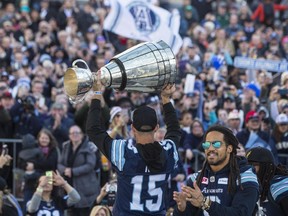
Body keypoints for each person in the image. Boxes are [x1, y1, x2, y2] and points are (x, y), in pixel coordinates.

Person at [86, 73, 181, 215]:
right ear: (156, 127)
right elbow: (174, 130)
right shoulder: (168, 152)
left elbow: (93, 129)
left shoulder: (124, 153)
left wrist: (97, 93)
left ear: (133, 129)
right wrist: (166, 99)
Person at [173, 125, 259, 216]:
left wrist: (205, 203)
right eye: (206, 144)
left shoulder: (244, 176)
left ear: (229, 148)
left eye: (216, 144)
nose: (210, 148)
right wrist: (181, 209)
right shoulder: (196, 178)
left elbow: (241, 213)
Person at [58, 125, 99, 216]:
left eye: (77, 133)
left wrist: (73, 171)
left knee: (84, 212)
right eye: (72, 133)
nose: (75, 135)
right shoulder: (66, 146)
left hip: (86, 187)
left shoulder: (88, 146)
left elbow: (90, 164)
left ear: (82, 135)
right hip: (70, 186)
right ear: (69, 135)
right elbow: (59, 164)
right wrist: (65, 170)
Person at [246, 147, 288, 216]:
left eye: (254, 165)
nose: (249, 169)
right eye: (247, 165)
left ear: (266, 167)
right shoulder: (249, 185)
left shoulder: (280, 185)